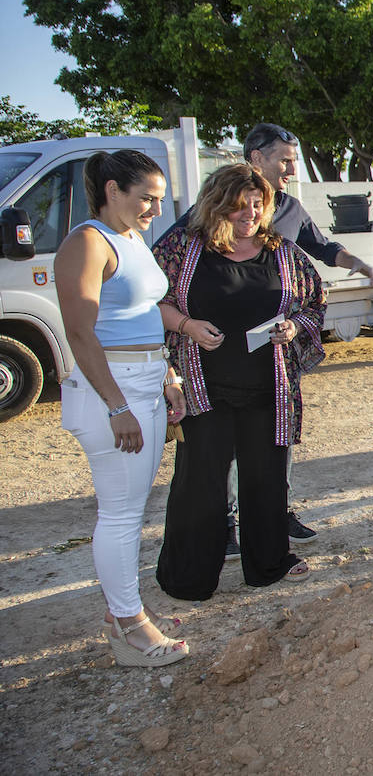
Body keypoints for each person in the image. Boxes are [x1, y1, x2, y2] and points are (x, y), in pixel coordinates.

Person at [163, 123, 371, 550]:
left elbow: (321, 247)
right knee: (217, 455)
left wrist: (356, 263)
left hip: (269, 363)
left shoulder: (289, 208)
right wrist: (185, 325)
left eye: (295, 160)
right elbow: (171, 262)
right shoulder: (214, 205)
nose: (292, 168)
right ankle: (226, 526)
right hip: (216, 366)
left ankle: (277, 517)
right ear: (256, 157)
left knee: (272, 449)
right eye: (285, 159)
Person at [152, 164, 326, 600]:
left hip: (268, 389)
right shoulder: (183, 247)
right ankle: (188, 577)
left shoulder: (282, 251)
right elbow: (152, 301)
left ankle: (268, 565)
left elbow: (313, 302)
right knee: (200, 482)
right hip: (203, 388)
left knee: (265, 479)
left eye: (258, 204)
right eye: (239, 205)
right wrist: (188, 325)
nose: (250, 213)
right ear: (217, 204)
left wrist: (292, 328)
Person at [54, 150, 191, 668]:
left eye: (159, 199)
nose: (155, 208)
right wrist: (116, 406)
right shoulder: (87, 242)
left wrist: (169, 376)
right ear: (112, 189)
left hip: (145, 382)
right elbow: (79, 332)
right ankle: (130, 628)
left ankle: (124, 610)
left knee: (131, 510)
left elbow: (144, 313)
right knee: (121, 514)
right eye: (146, 198)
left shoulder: (131, 238)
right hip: (112, 391)